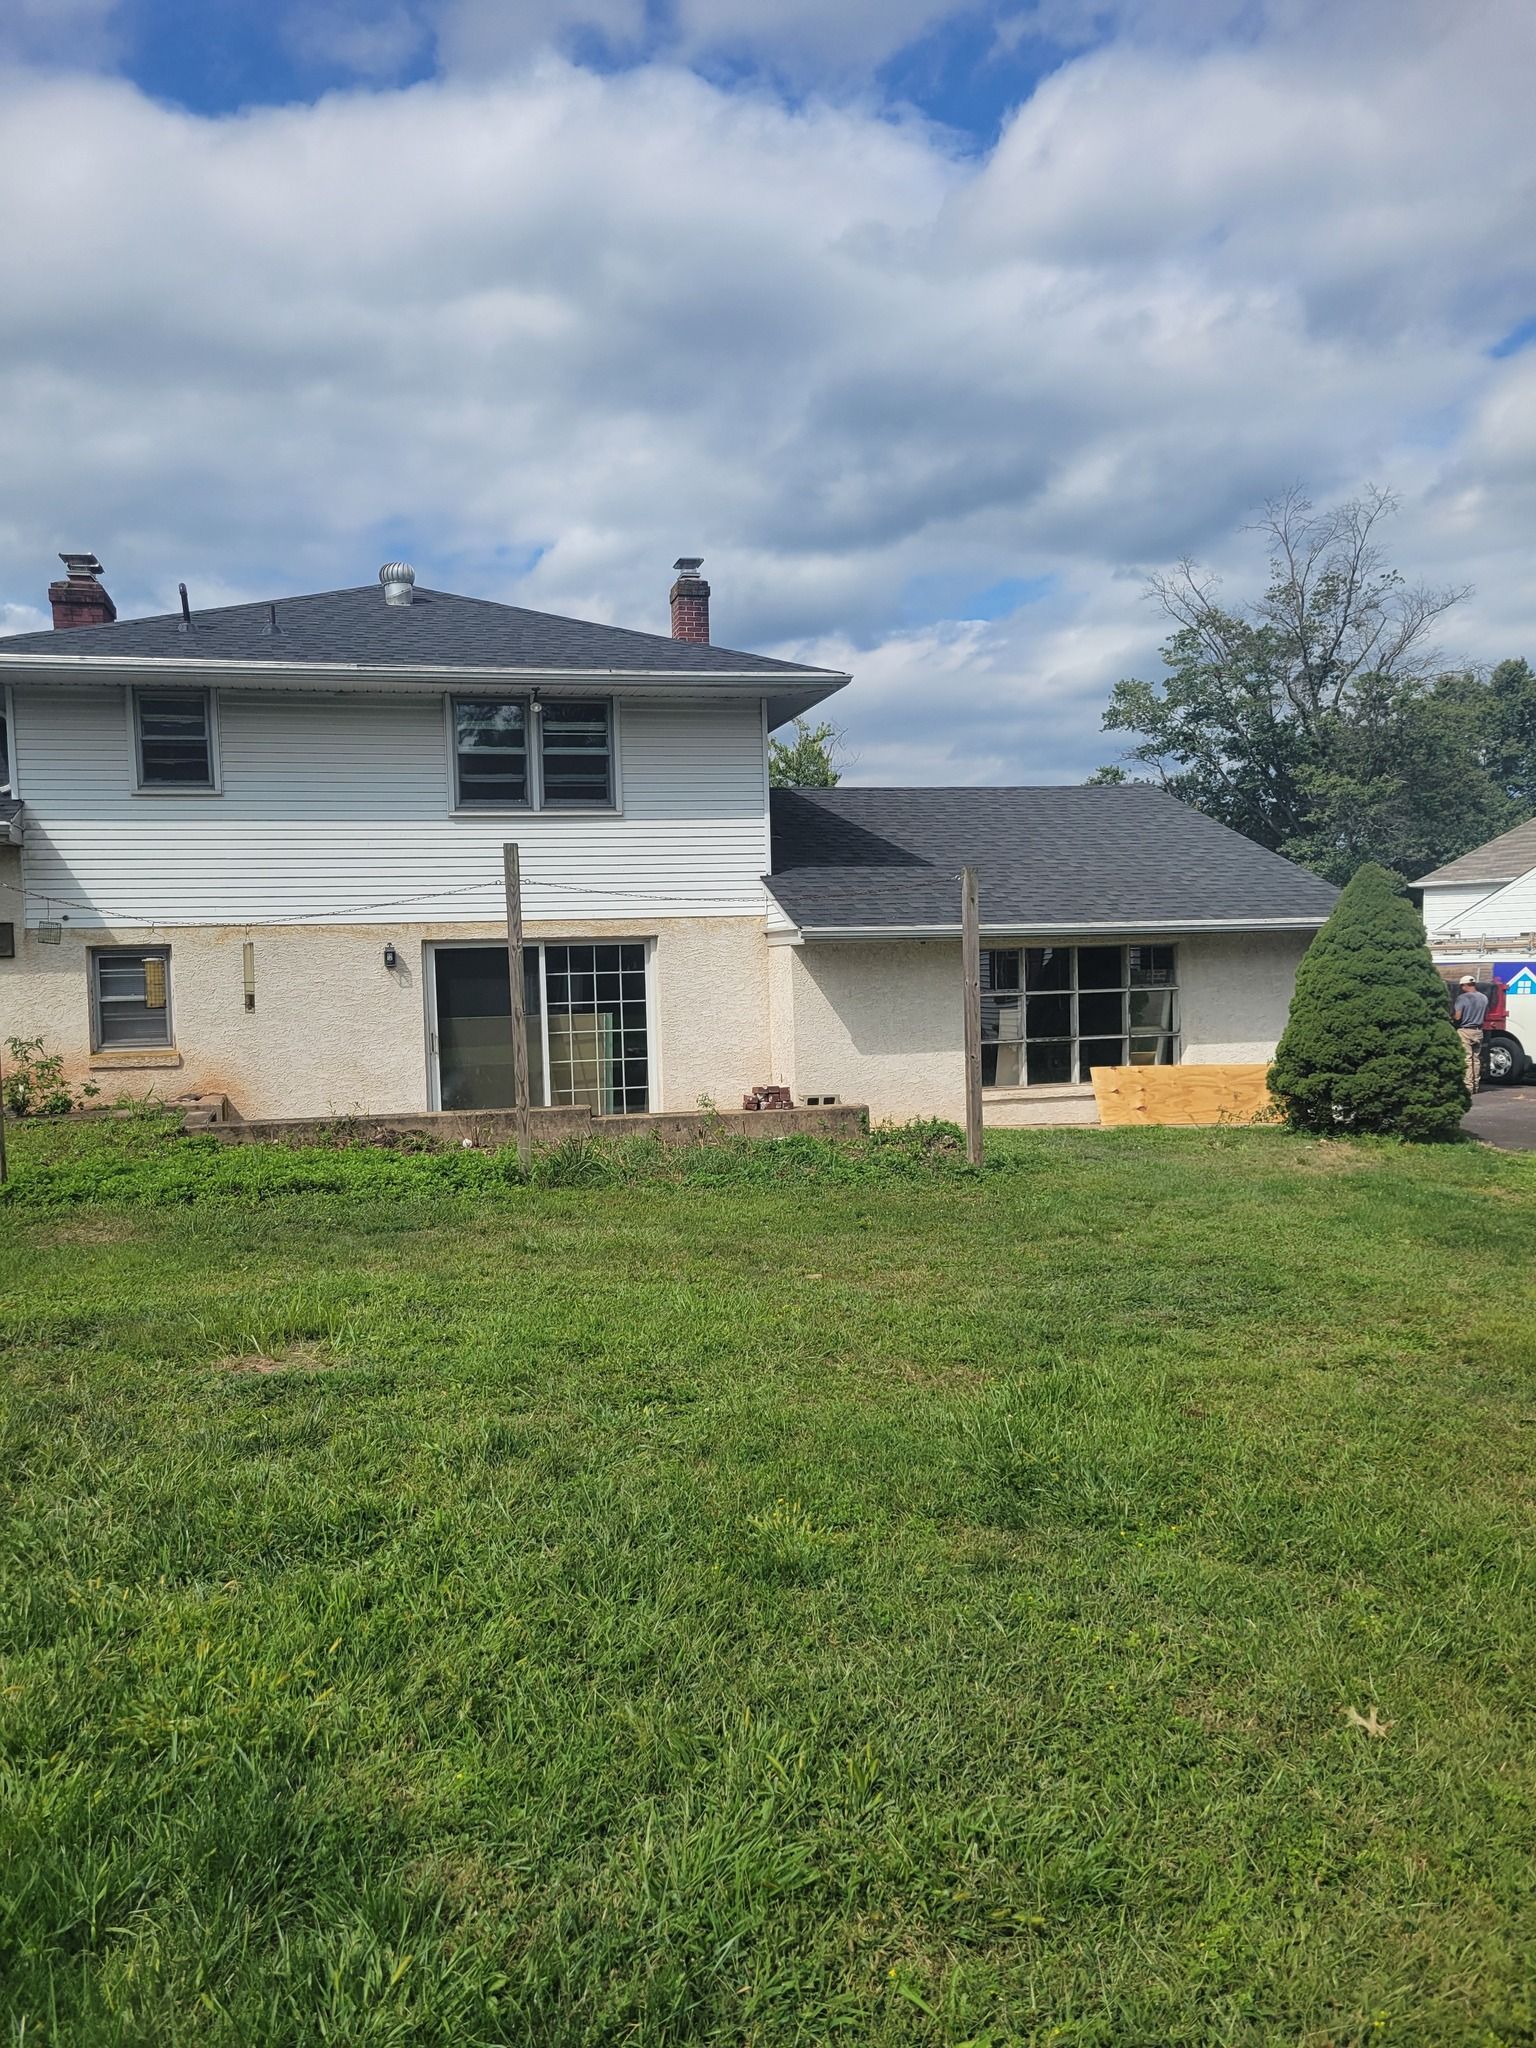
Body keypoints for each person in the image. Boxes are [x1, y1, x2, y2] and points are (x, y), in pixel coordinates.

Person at [1453, 974, 1489, 1094]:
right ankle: (1476, 1085)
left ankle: (1468, 1086)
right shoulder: (1484, 998)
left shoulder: (1462, 998)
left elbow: (1458, 1017)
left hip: (1465, 1030)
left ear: (1464, 985)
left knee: (1467, 1059)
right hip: (1478, 1031)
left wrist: (1450, 1017)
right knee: (1476, 1059)